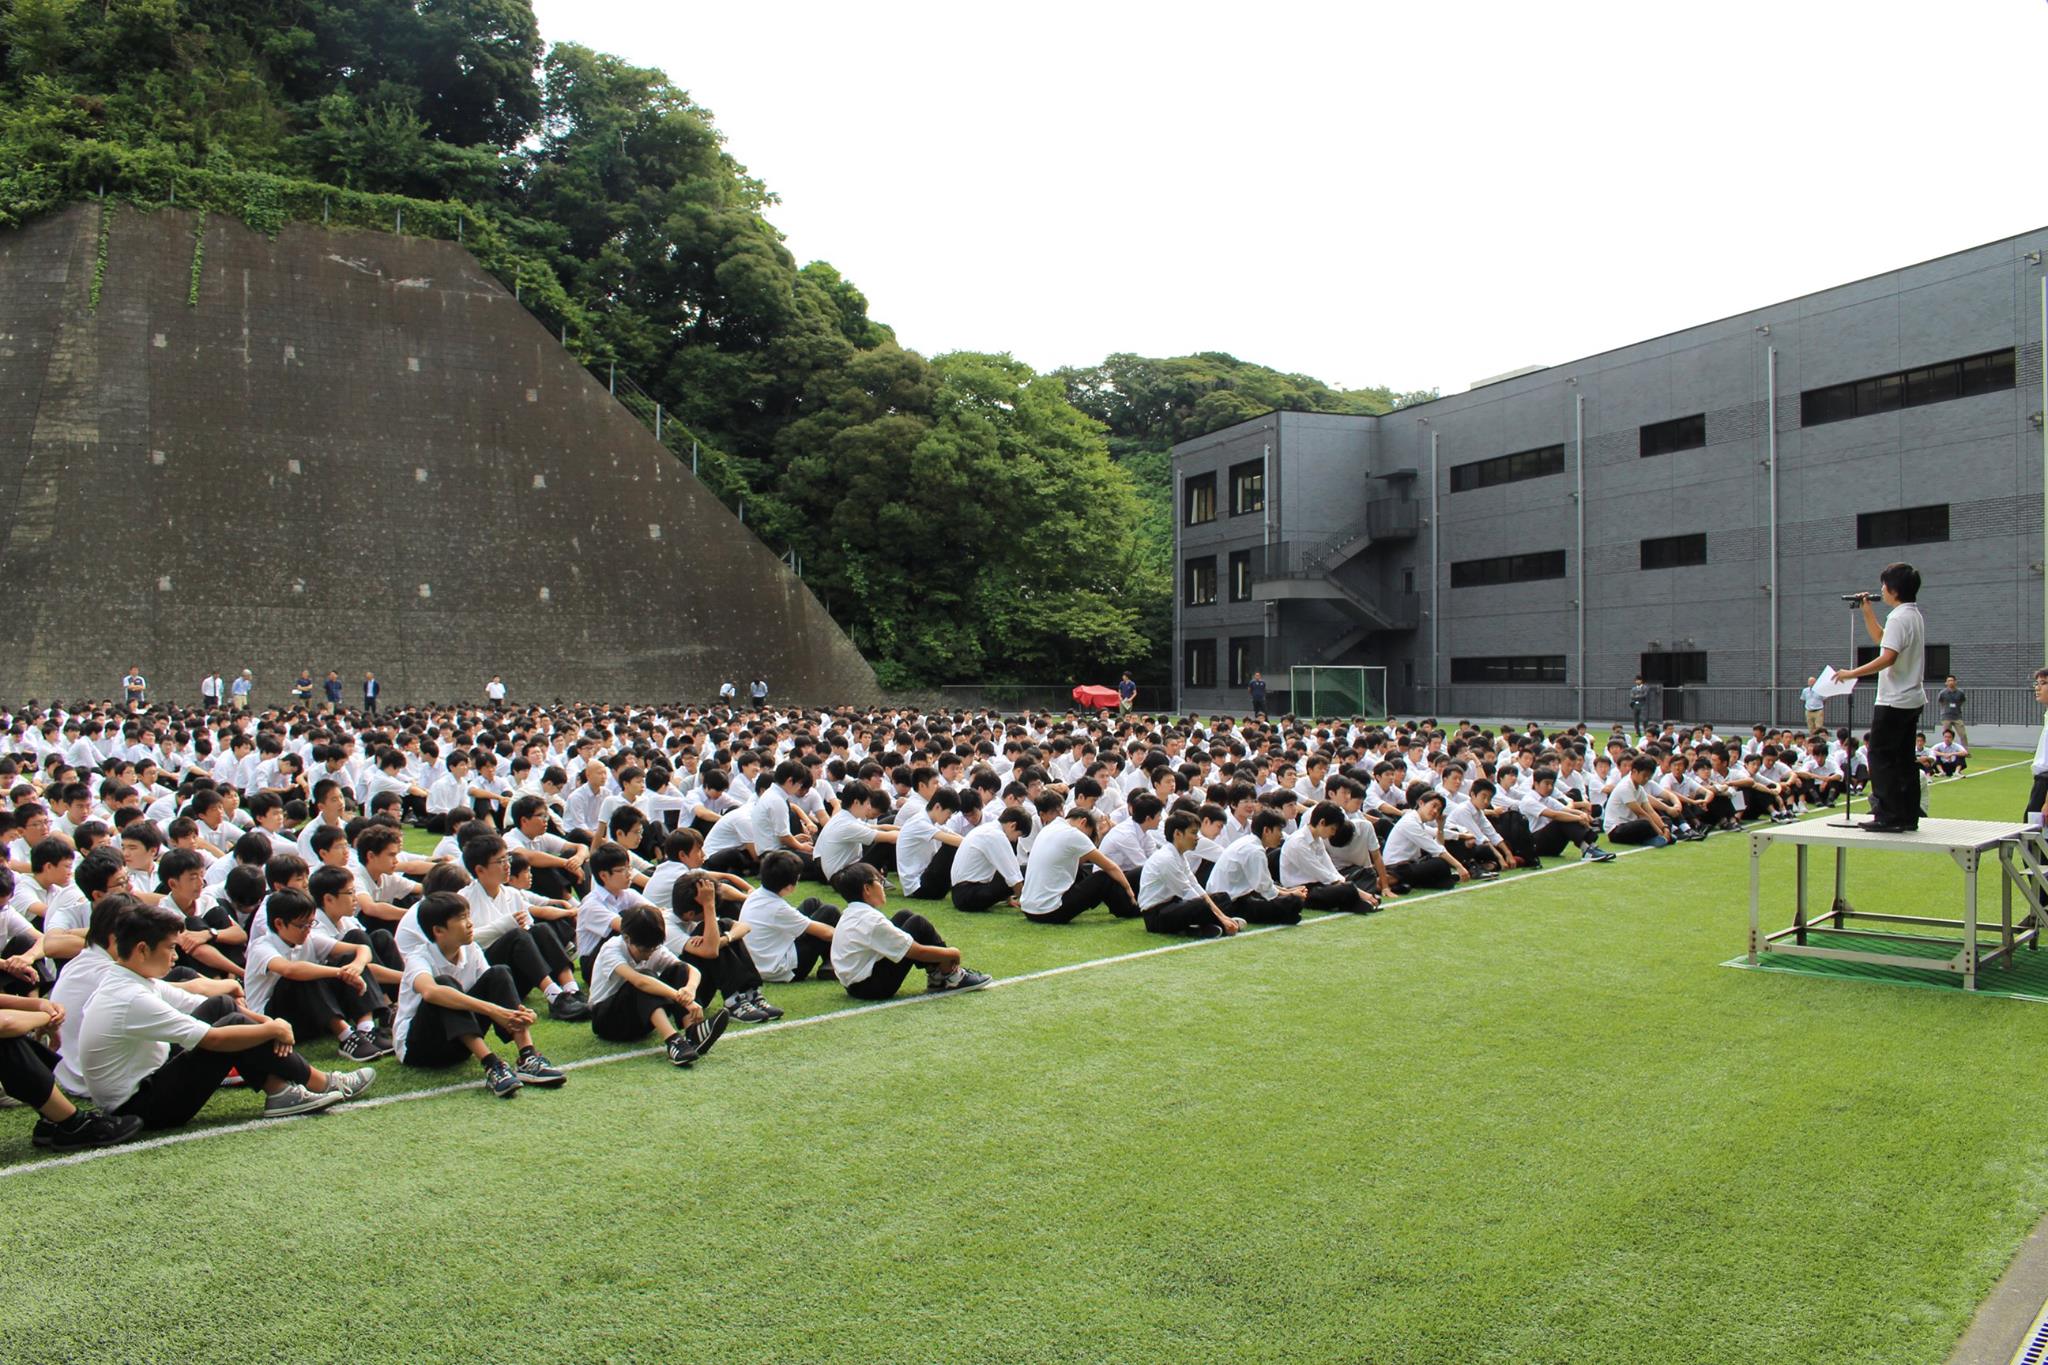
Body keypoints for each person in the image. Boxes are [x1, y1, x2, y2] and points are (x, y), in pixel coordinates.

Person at [80, 900, 374, 1127]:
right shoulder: (130, 997)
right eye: (170, 948)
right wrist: (272, 1030)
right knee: (231, 1025)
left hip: (148, 1081)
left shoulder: (132, 980)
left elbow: (196, 1002)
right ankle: (321, 1082)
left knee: (223, 1006)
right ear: (142, 950)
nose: (174, 956)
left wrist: (268, 1021)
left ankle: (281, 1091)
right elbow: (214, 1040)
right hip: (139, 1107)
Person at [392, 892, 566, 1097]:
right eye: (461, 918)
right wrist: (495, 1010)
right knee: (445, 987)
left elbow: (495, 989)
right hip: (420, 1048)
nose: (469, 924)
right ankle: (492, 1065)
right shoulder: (419, 958)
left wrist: (520, 1014)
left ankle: (528, 1056)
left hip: (458, 1043)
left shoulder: (471, 949)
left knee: (499, 973)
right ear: (438, 930)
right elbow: (430, 992)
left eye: (468, 916)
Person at [1831, 563, 1925, 833]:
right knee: (1904, 758)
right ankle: (1907, 814)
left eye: (1884, 586)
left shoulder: (1899, 617)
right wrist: (1867, 612)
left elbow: (1888, 657)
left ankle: (1887, 813)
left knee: (1880, 756)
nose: (1881, 590)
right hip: (1911, 698)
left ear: (1894, 590)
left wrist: (1852, 673)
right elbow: (1883, 639)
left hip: (1894, 699)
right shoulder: (1912, 614)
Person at [585, 905, 728, 1067]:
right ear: (626, 938)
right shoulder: (611, 949)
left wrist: (689, 989)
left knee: (679, 969)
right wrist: (682, 999)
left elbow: (691, 970)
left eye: (652, 948)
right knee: (645, 978)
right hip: (608, 1021)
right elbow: (640, 981)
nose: (649, 953)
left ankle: (693, 1032)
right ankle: (674, 1041)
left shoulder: (653, 948)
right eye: (644, 949)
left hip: (638, 1017)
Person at [828, 862, 990, 998]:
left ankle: (937, 976)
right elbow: (916, 951)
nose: (883, 886)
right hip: (870, 988)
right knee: (917, 924)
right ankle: (951, 976)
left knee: (904, 915)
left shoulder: (851, 913)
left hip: (855, 984)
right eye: (879, 880)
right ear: (867, 889)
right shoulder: (871, 921)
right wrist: (952, 953)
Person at [2028, 668, 2048, 828]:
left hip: (2045, 785)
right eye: (2037, 683)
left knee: (2034, 843)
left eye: (2044, 683)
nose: (2037, 687)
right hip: (2041, 783)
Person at [1935, 675, 1968, 745]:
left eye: (1952, 680)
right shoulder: (1942, 693)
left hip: (1957, 716)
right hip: (1946, 717)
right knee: (1947, 735)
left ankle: (1965, 751)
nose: (1950, 682)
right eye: (1949, 681)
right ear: (1946, 683)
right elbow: (1940, 702)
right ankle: (1947, 749)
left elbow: (1962, 701)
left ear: (1955, 682)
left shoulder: (1960, 692)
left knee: (1963, 734)